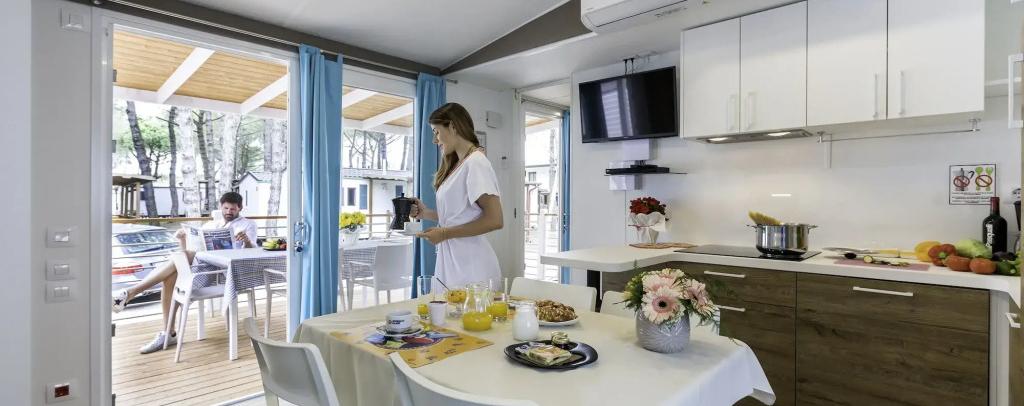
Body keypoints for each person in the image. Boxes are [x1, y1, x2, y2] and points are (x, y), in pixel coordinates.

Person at [112, 192, 258, 354]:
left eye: (233, 209)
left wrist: (247, 241)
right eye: (226, 208)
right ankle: (168, 332)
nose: (229, 212)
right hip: (203, 269)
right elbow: (193, 251)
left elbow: (252, 252)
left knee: (179, 262)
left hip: (222, 273)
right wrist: (182, 239)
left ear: (240, 208)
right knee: (171, 277)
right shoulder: (211, 225)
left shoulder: (248, 225)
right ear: (220, 207)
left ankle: (131, 293)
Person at [409, 102, 504, 287]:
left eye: (436, 132)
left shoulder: (476, 163)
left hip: (472, 266)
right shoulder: (459, 165)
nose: (434, 140)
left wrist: (445, 233)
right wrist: (425, 213)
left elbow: (495, 220)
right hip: (453, 262)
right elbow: (461, 215)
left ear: (452, 126)